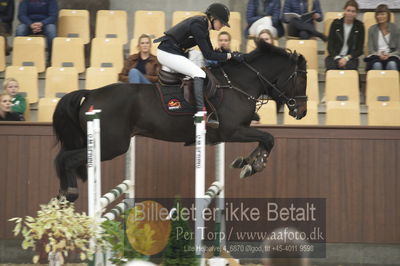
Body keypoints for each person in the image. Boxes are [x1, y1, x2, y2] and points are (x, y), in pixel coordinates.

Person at [155, 3, 244, 128]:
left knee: (194, 74)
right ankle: (200, 113)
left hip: (171, 52)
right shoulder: (198, 25)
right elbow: (208, 55)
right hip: (167, 53)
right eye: (222, 22)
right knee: (199, 73)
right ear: (213, 18)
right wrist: (230, 56)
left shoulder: (203, 26)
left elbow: (211, 52)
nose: (223, 25)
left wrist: (227, 54)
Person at [325, 0, 364, 70]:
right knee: (331, 67)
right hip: (335, 56)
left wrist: (346, 58)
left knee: (350, 67)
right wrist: (338, 58)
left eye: (353, 11)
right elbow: (330, 46)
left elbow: (359, 50)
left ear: (356, 13)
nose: (350, 13)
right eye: (348, 10)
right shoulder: (335, 24)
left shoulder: (360, 26)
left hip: (350, 58)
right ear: (344, 11)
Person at [365, 4, 400, 71]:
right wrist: (379, 55)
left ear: (388, 15)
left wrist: (389, 55)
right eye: (378, 15)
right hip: (376, 56)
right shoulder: (372, 29)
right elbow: (371, 49)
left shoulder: (395, 28)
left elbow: (398, 50)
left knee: (392, 64)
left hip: (391, 56)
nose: (380, 17)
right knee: (377, 65)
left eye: (382, 14)